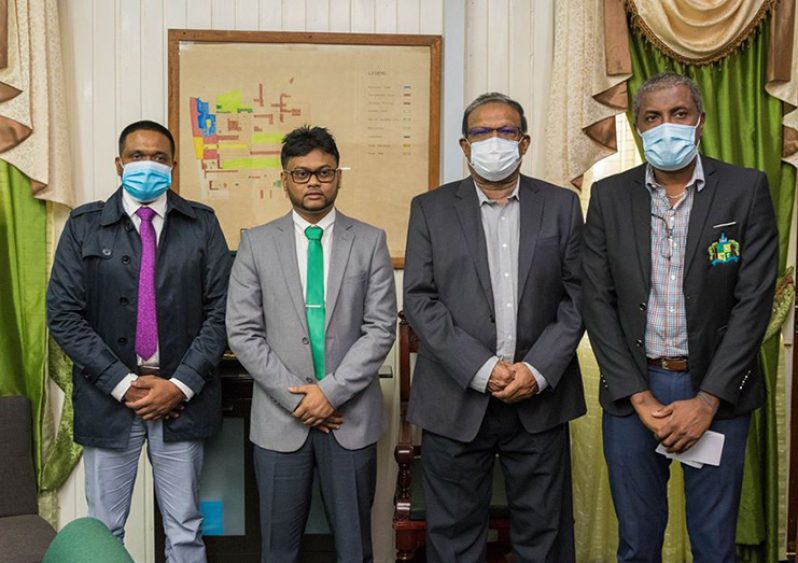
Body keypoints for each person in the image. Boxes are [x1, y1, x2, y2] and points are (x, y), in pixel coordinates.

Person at [583, 71, 778, 562]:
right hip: (635, 393)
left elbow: (753, 302)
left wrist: (707, 401)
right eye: (652, 117)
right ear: (637, 126)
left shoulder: (745, 189)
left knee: (714, 545)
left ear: (700, 123)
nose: (665, 126)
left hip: (716, 390)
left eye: (678, 114)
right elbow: (597, 301)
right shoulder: (609, 196)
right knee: (637, 542)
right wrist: (639, 396)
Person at [403, 92, 585, 563]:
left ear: (524, 143)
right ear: (465, 146)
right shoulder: (430, 208)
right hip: (455, 399)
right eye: (482, 133)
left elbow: (579, 297)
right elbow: (420, 300)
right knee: (455, 539)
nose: (494, 141)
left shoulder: (562, 206)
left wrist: (537, 369)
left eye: (505, 131)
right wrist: (482, 368)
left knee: (544, 538)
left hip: (540, 399)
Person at [47, 120, 231, 561]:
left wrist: (180, 384)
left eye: (159, 158)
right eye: (136, 156)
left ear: (173, 166)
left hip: (181, 401)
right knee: (104, 530)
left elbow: (223, 312)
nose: (147, 164)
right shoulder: (84, 225)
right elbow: (63, 314)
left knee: (185, 528)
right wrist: (123, 383)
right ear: (118, 164)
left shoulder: (201, 224)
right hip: (109, 401)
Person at [225, 126, 396, 562]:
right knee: (278, 550)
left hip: (350, 418)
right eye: (301, 174)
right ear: (284, 179)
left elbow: (379, 329)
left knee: (355, 548)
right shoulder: (256, 243)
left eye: (324, 172)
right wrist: (301, 400)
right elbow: (242, 331)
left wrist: (331, 393)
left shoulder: (370, 240)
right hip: (282, 421)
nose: (314, 182)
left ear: (339, 177)